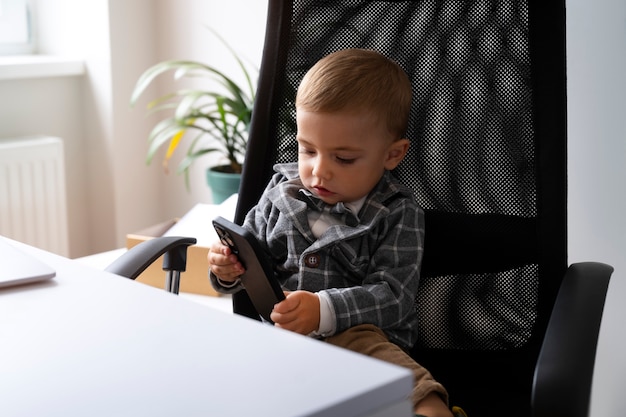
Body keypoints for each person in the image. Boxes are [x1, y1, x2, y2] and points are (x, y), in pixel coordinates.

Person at [207, 49, 462, 417]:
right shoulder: (281, 192)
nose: (319, 171)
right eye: (308, 150)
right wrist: (225, 269)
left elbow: (393, 297)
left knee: (416, 393)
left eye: (343, 159)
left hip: (360, 337)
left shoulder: (398, 213)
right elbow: (248, 256)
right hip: (279, 339)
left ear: (393, 155)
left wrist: (323, 309)